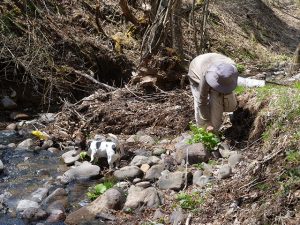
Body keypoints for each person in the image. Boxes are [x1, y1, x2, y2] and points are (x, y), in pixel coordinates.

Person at [187, 53, 239, 133]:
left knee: (217, 100)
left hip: (214, 62)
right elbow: (202, 101)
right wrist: (208, 122)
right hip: (197, 69)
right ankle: (202, 132)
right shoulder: (205, 75)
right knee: (200, 108)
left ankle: (214, 131)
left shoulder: (231, 70)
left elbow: (223, 103)